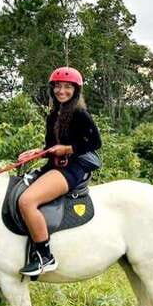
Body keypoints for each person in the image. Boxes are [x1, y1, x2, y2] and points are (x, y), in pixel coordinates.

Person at [16, 66, 102, 276]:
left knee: (27, 201)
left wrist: (68, 149)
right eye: (57, 87)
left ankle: (45, 256)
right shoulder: (54, 115)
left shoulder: (80, 114)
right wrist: (37, 153)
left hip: (74, 168)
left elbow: (95, 143)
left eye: (67, 87)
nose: (61, 91)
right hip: (56, 165)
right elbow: (50, 146)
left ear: (76, 91)